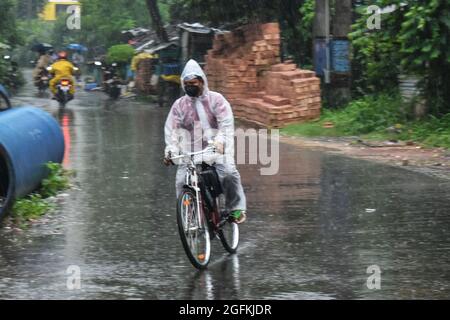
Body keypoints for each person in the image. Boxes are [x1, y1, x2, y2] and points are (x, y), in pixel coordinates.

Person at [163, 59, 247, 224]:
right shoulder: (179, 105)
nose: (189, 87)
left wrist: (220, 142)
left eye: (193, 83)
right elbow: (172, 130)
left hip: (216, 149)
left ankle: (235, 209)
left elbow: (226, 124)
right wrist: (171, 151)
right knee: (182, 182)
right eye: (186, 84)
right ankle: (191, 220)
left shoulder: (217, 100)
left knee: (229, 173)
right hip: (191, 153)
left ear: (202, 81)